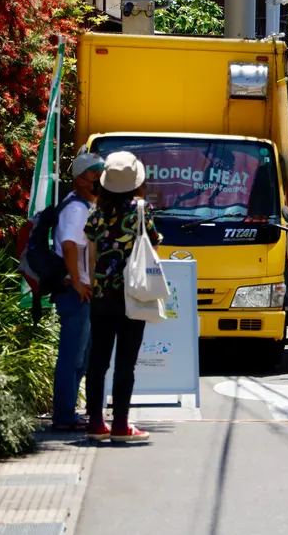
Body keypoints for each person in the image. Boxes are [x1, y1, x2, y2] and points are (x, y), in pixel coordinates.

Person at [83, 151, 160, 442]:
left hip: (101, 295)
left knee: (98, 361)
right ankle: (121, 425)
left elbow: (90, 253)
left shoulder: (96, 211)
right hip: (133, 295)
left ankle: (94, 422)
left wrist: (93, 283)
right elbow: (154, 247)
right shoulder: (141, 209)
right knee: (126, 362)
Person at [50, 152, 104, 431]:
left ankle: (68, 413)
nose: (99, 179)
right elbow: (69, 246)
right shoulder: (77, 209)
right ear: (81, 179)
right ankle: (64, 417)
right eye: (95, 174)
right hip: (75, 292)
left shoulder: (82, 205)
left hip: (79, 291)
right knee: (72, 357)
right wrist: (77, 282)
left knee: (80, 357)